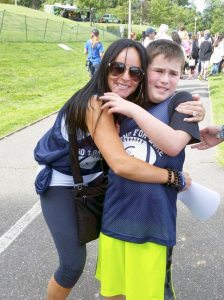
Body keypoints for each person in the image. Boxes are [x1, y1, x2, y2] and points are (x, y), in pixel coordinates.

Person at [34, 39, 204, 300]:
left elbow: (156, 130)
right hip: (63, 184)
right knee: (72, 265)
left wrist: (201, 130)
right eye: (117, 68)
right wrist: (175, 177)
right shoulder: (95, 102)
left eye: (134, 72)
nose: (126, 77)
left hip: (102, 187)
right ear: (104, 67)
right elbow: (122, 164)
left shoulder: (127, 103)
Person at [96, 39, 201, 299]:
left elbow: (175, 144)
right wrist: (130, 106)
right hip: (115, 217)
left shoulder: (181, 101)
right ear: (144, 72)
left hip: (153, 225)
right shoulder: (128, 101)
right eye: (158, 71)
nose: (165, 79)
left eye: (173, 73)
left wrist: (133, 111)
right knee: (113, 292)